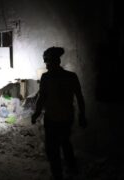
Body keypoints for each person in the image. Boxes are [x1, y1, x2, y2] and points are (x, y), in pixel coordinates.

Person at [31, 47, 86, 180]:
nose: (46, 65)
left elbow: (42, 98)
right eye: (46, 62)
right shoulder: (71, 76)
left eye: (47, 62)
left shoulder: (47, 78)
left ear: (56, 61)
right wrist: (81, 115)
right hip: (66, 118)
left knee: (53, 148)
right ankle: (70, 170)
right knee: (65, 143)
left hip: (53, 119)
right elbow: (79, 97)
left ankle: (59, 174)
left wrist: (37, 113)